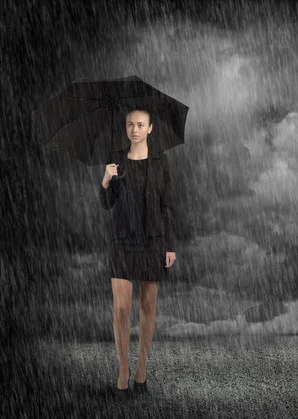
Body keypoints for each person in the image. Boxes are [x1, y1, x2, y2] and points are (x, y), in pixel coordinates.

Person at [99, 107, 177, 397]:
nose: (134, 129)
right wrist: (106, 180)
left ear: (150, 129)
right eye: (130, 124)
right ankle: (123, 369)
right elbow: (107, 204)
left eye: (140, 124)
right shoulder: (115, 160)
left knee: (147, 306)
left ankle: (142, 368)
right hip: (122, 240)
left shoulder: (161, 162)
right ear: (126, 127)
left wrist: (170, 244)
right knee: (121, 308)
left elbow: (167, 205)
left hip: (152, 241)